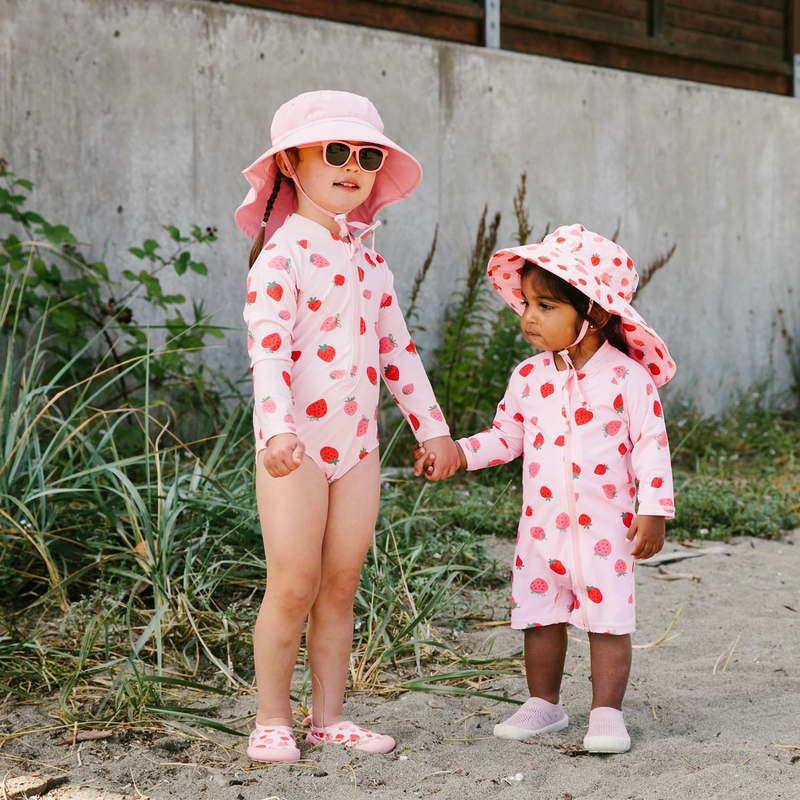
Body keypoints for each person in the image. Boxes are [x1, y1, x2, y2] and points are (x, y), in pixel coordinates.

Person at [235, 90, 460, 762]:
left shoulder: (372, 265)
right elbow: (267, 350)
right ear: (290, 165)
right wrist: (276, 430)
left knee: (340, 584)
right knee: (294, 583)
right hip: (293, 450)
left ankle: (329, 716)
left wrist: (432, 430)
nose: (353, 164)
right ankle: (272, 718)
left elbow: (399, 353)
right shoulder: (283, 257)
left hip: (357, 451)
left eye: (367, 155)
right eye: (336, 151)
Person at [414, 224, 676, 753]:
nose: (528, 317)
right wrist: (460, 453)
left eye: (547, 306)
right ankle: (545, 703)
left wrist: (654, 509)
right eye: (526, 303)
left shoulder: (627, 379)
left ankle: (605, 711)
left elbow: (651, 444)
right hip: (541, 528)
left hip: (609, 528)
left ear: (595, 314)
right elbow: (506, 436)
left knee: (608, 620)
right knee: (540, 613)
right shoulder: (529, 377)